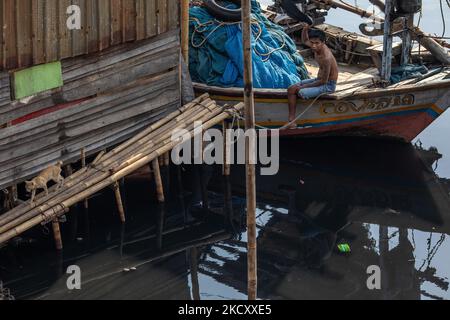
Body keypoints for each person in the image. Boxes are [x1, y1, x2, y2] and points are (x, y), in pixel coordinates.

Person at [287, 25, 338, 128]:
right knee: (291, 89)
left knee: (300, 91)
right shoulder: (315, 46)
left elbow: (324, 81)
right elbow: (305, 40)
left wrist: (302, 87)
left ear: (323, 43)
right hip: (318, 79)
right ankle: (291, 120)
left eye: (317, 43)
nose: (313, 46)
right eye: (312, 43)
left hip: (328, 85)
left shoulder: (326, 58)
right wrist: (305, 28)